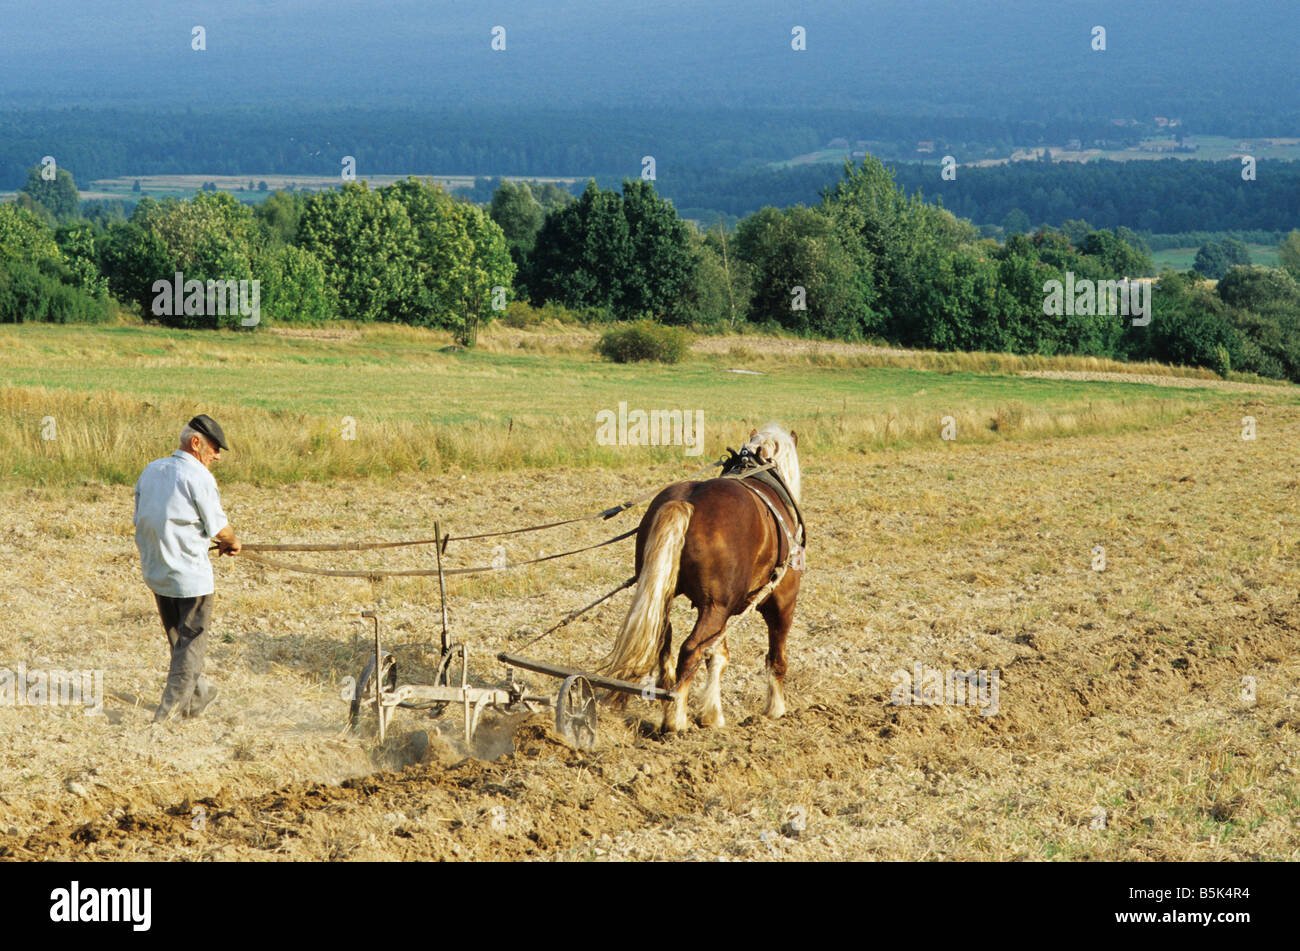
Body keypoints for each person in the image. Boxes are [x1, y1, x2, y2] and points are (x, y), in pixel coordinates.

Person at [133, 414, 240, 722]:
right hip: (190, 579)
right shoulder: (198, 476)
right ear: (196, 443)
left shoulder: (151, 470)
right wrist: (232, 542)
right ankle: (165, 717)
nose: (217, 455)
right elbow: (220, 528)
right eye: (215, 448)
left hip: (157, 573)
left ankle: (201, 691)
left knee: (180, 643)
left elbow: (142, 519)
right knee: (189, 646)